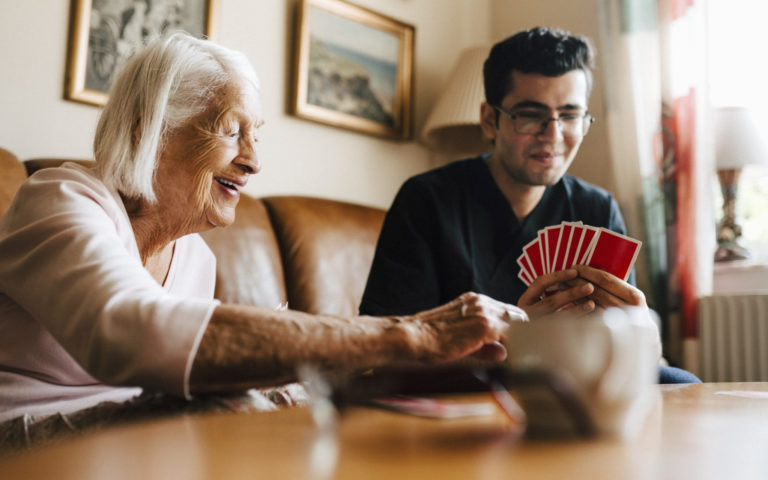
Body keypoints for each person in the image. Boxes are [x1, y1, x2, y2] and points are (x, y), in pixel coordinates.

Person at [0, 33, 526, 441]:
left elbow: (177, 376)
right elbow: (128, 332)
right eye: (231, 130)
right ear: (148, 130)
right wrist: (409, 335)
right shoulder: (61, 198)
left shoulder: (195, 258)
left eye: (255, 135)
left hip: (132, 440)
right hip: (27, 436)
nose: (253, 160)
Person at [359, 26, 699, 383]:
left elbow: (625, 347)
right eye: (531, 115)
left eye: (570, 116)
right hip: (470, 385)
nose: (553, 136)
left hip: (574, 381)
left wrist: (643, 333)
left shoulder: (597, 208)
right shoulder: (426, 200)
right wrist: (514, 342)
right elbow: (387, 353)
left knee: (681, 382)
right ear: (491, 120)